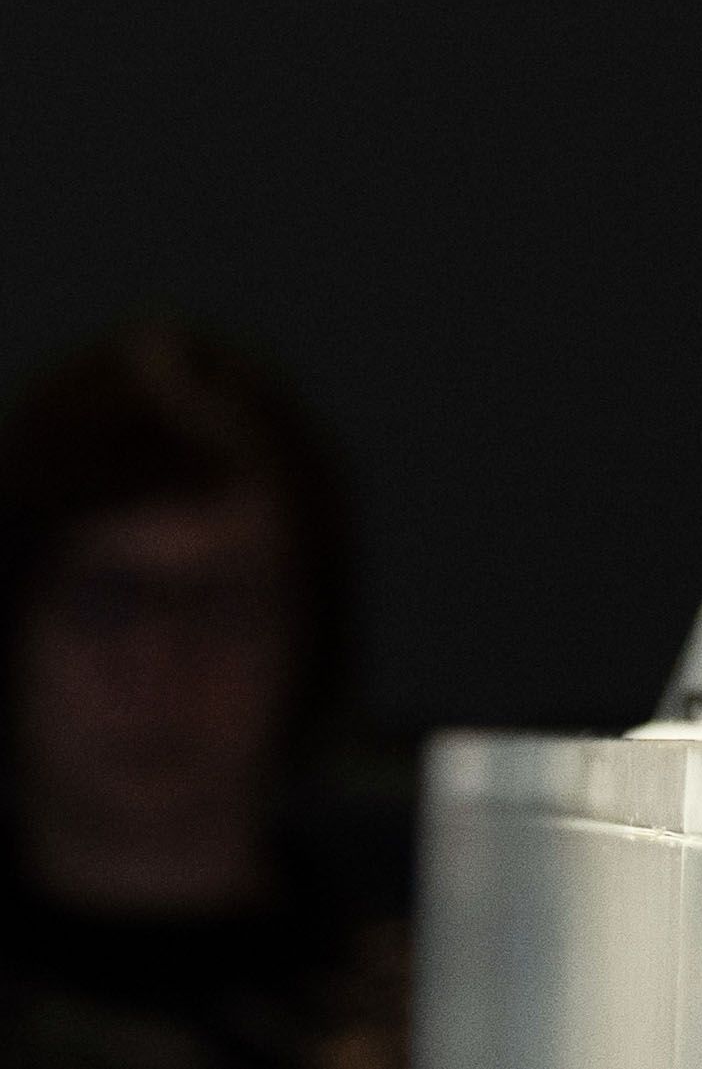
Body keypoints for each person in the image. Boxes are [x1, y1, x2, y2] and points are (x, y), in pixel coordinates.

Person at [2, 324, 405, 1069]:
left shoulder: (433, 1005)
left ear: (304, 635)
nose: (158, 661)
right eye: (107, 599)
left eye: (220, 604)